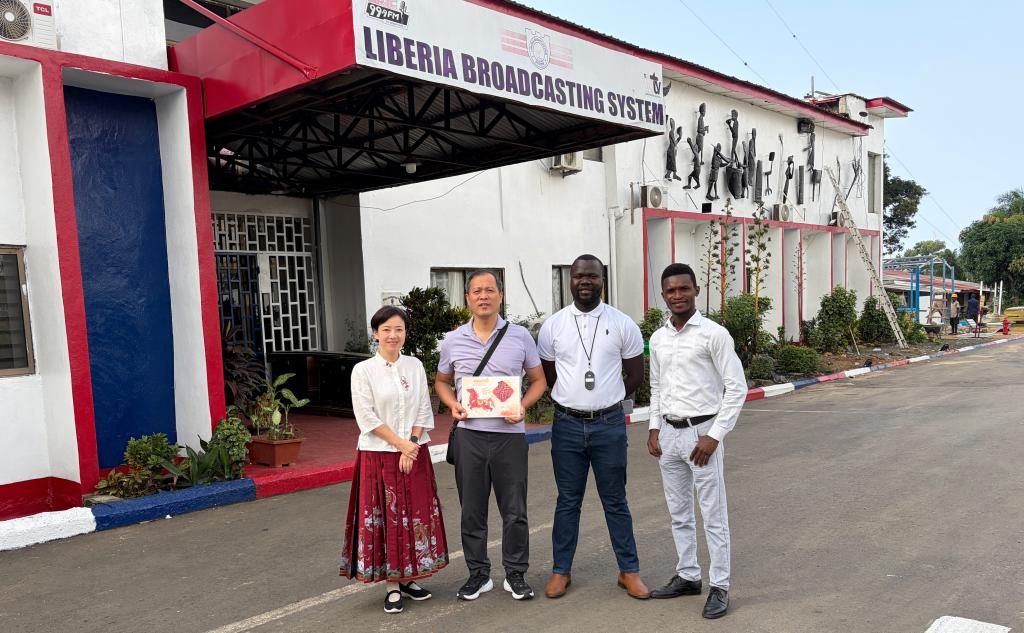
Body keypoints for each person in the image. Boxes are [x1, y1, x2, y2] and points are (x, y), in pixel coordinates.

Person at [537, 254, 650, 600]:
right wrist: (575, 399)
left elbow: (635, 375)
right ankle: (561, 571)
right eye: (578, 276)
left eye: (593, 276)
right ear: (570, 280)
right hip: (567, 425)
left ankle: (629, 571)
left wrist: (607, 398)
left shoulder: (622, 323)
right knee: (567, 501)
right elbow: (550, 375)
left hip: (609, 425)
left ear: (603, 280)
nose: (585, 281)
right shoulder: (553, 326)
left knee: (615, 500)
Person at [435, 270, 548, 602]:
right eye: (476, 291)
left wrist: (523, 406)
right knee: (472, 510)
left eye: (489, 290)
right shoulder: (453, 339)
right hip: (469, 437)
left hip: (509, 437)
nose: (483, 296)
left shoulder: (520, 336)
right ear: (467, 298)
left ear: (500, 295)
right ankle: (478, 574)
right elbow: (441, 381)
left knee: (515, 511)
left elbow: (539, 380)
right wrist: (453, 404)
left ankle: (515, 574)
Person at [646, 263, 747, 620]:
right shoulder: (659, 338)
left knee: (713, 515)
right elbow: (656, 387)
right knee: (679, 514)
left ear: (696, 291)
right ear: (663, 295)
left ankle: (720, 585)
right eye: (671, 290)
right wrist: (654, 427)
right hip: (669, 436)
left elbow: (737, 388)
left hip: (701, 435)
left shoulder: (714, 335)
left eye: (683, 289)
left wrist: (714, 436)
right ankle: (688, 575)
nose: (677, 295)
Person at [340, 306, 448, 614]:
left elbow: (424, 407)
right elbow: (366, 417)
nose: (393, 335)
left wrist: (411, 444)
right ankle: (391, 584)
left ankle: (409, 577)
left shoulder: (414, 365)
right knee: (387, 519)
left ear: (405, 333)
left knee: (414, 515)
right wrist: (401, 445)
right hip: (379, 455)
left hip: (414, 452)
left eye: (398, 329)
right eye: (386, 329)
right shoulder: (363, 371)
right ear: (375, 334)